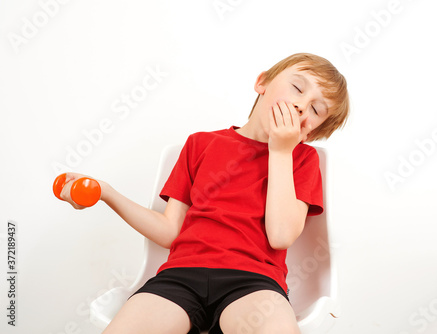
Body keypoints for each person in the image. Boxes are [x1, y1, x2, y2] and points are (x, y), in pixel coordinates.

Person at [59, 52, 349, 334]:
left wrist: (281, 150)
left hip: (254, 283)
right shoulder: (200, 144)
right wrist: (106, 193)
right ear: (262, 83)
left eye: (316, 110)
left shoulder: (302, 160)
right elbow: (170, 231)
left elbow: (281, 235)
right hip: (180, 277)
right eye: (297, 88)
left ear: (309, 132)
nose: (301, 106)